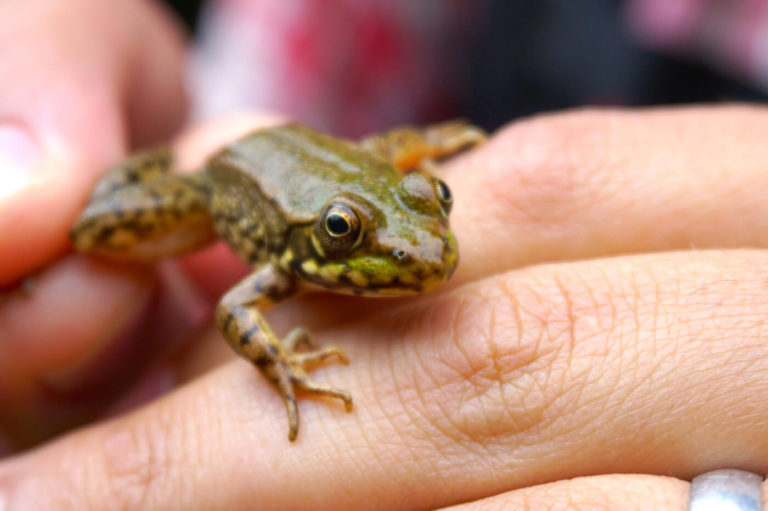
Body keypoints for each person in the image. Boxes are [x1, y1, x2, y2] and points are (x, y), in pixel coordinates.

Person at [0, 1, 767, 509]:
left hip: (314, 158)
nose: (422, 256)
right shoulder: (277, 245)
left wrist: (416, 168)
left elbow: (386, 157)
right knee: (99, 224)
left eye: (434, 203)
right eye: (346, 234)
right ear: (320, 237)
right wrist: (282, 364)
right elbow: (237, 305)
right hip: (224, 183)